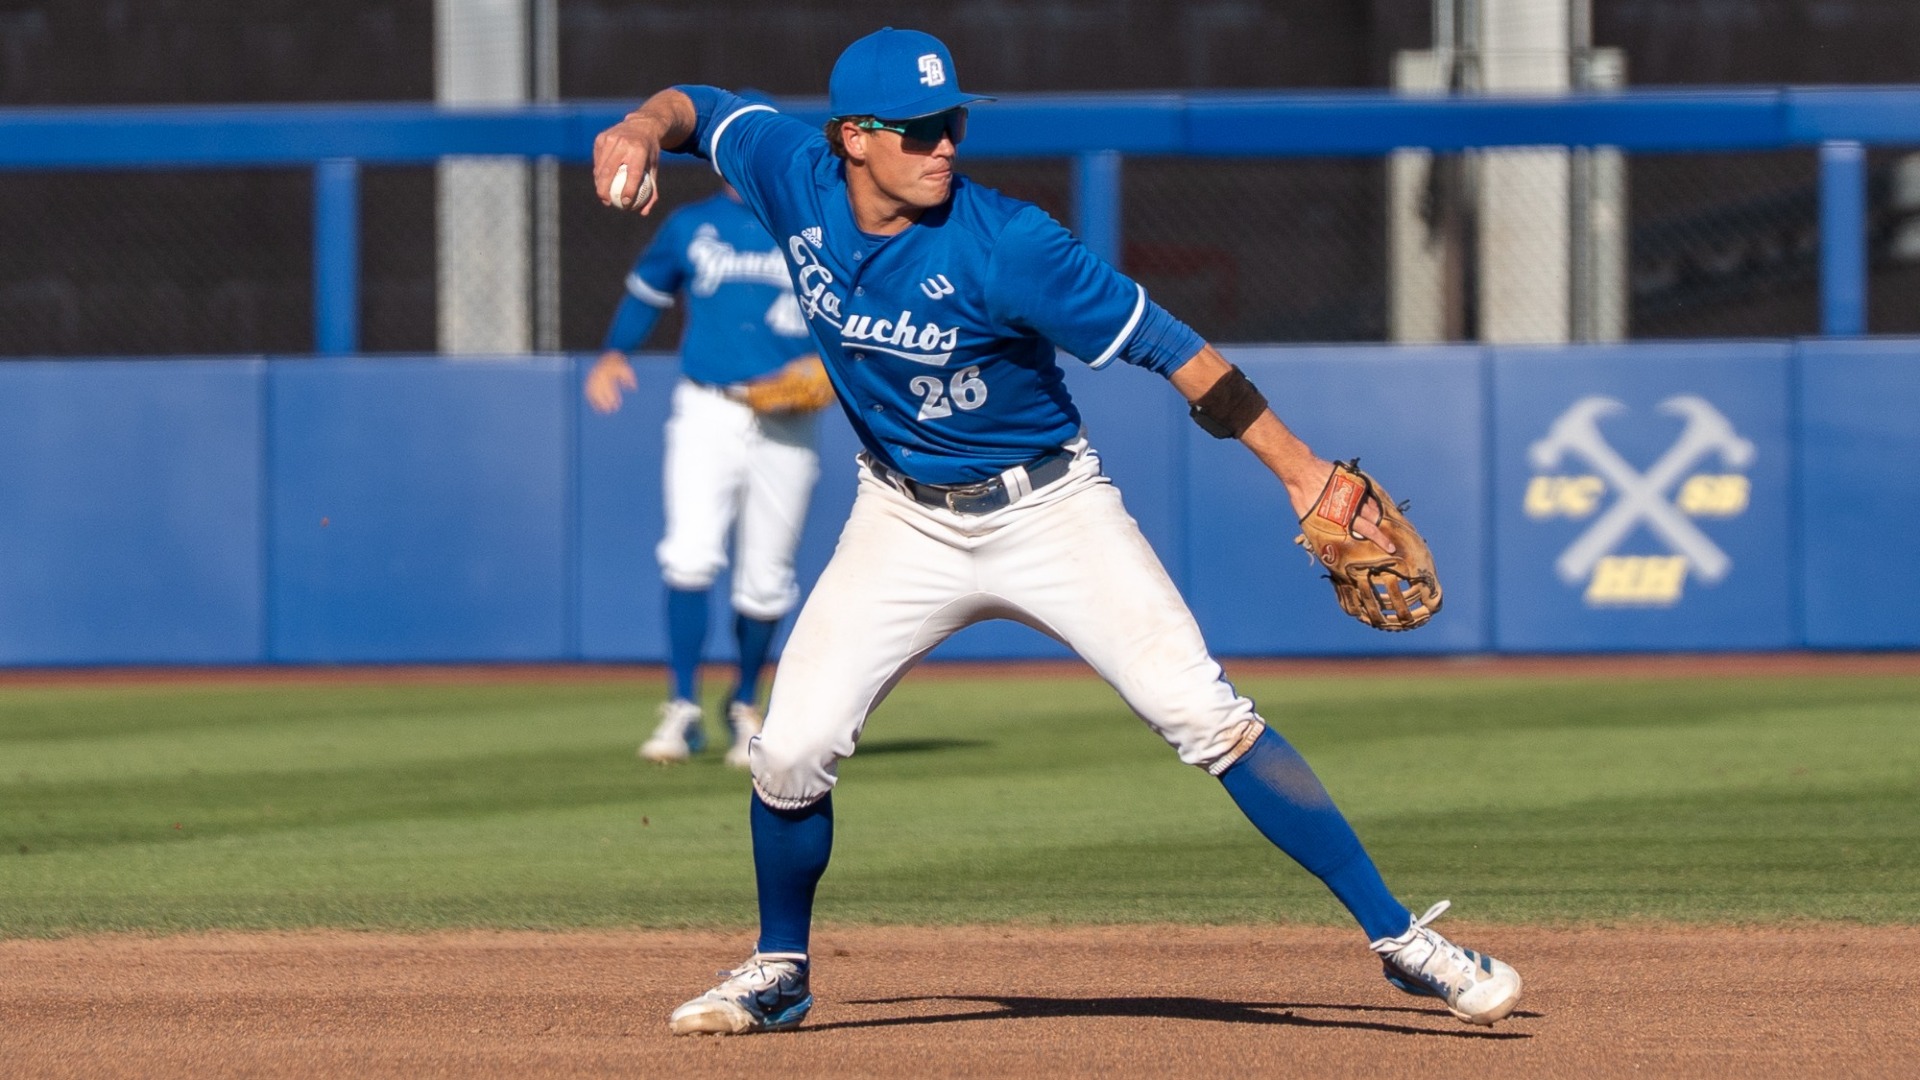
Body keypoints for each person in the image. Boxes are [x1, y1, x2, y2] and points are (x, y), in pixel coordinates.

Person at [592, 27, 1524, 1033]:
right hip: (901, 518)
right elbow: (693, 106)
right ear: (853, 139)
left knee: (1206, 715)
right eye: (916, 130)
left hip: (1050, 509)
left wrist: (1300, 472)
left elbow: (1178, 351)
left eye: (950, 121)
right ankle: (780, 967)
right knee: (787, 752)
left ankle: (1400, 943)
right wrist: (639, 128)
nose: (945, 143)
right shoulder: (788, 173)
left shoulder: (1009, 243)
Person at [585, 166, 826, 769]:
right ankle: (682, 707)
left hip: (788, 420)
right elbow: (648, 290)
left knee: (767, 574)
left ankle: (746, 703)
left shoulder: (816, 226)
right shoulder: (693, 225)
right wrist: (616, 351)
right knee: (689, 555)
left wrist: (834, 366)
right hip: (708, 408)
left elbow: (862, 311)